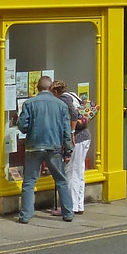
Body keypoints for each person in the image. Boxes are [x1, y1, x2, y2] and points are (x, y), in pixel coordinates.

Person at [17, 75, 73, 223]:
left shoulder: (29, 103)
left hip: (33, 146)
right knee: (61, 180)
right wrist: (68, 150)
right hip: (53, 147)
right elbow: (67, 131)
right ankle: (68, 213)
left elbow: (22, 127)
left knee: (29, 182)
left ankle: (25, 216)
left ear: (37, 88)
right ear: (51, 88)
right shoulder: (61, 105)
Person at [52, 80, 99, 215]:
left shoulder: (63, 99)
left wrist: (71, 132)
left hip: (77, 139)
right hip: (85, 138)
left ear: (55, 92)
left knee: (71, 172)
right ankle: (78, 205)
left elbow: (73, 114)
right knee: (79, 172)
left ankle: (70, 206)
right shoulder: (72, 95)